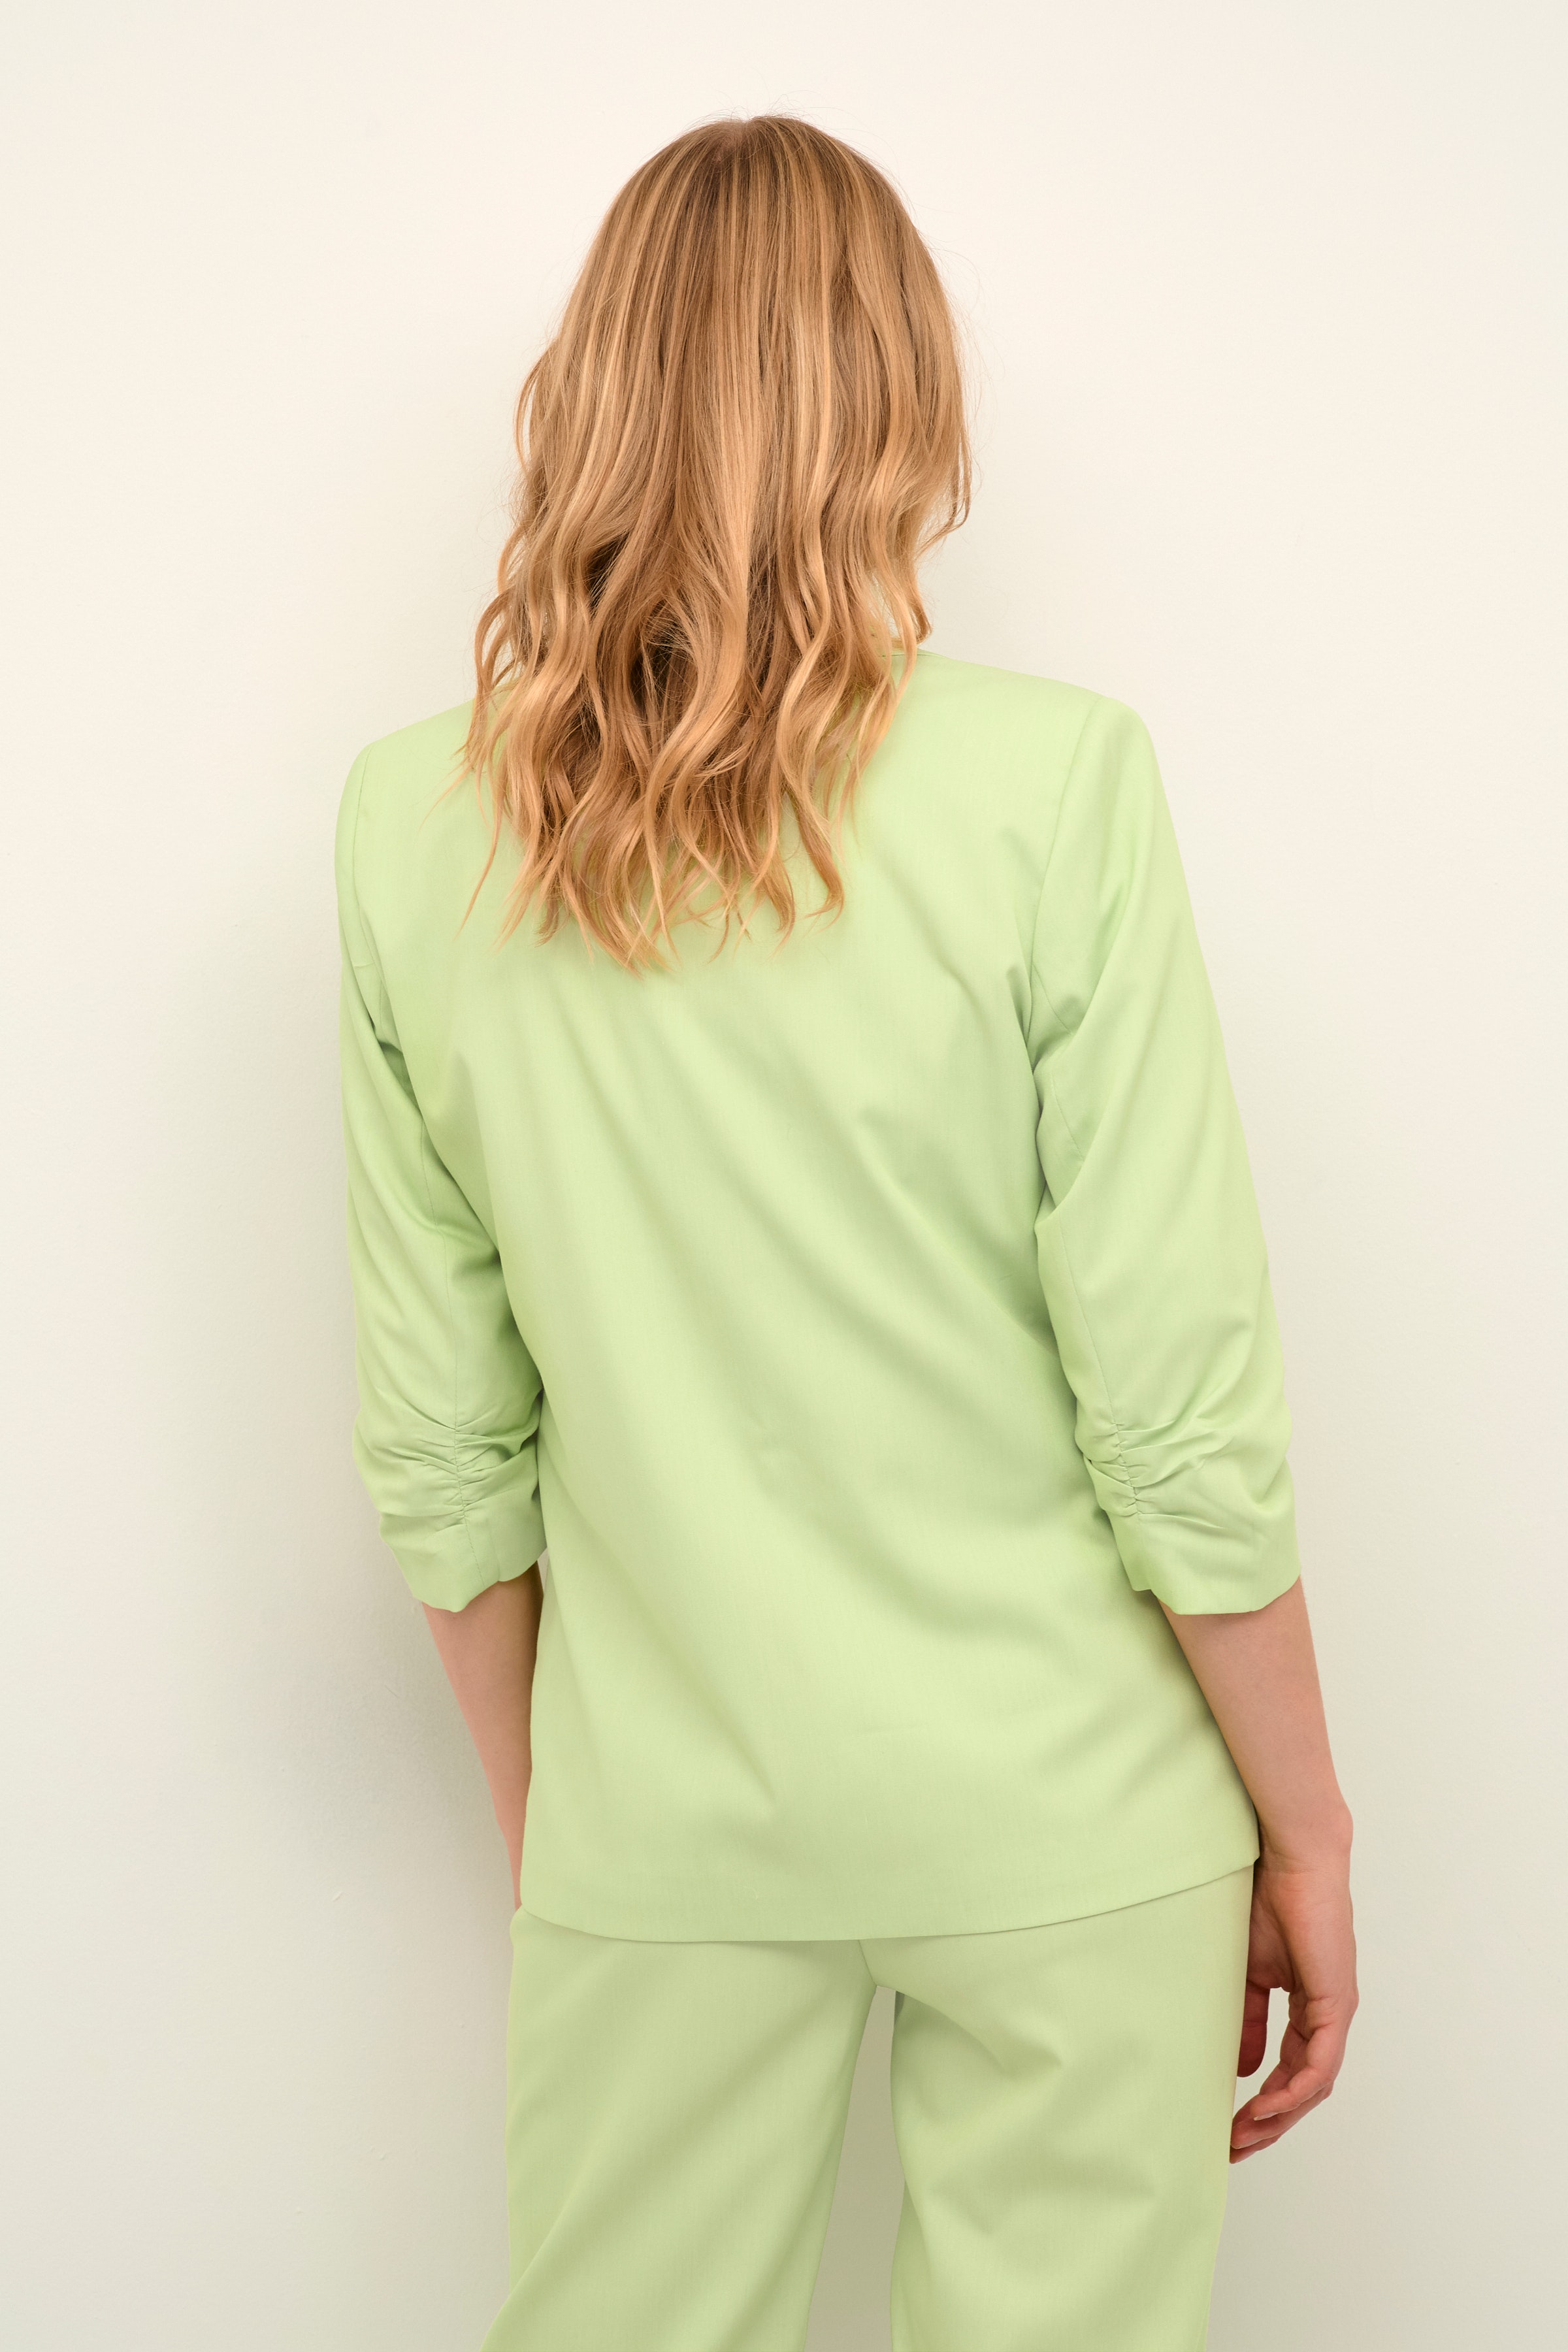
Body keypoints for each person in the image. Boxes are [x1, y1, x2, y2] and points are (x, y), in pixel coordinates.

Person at [335, 113, 1356, 2352]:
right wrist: (1310, 1829)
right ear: (901, 394)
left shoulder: (415, 830)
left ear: (593, 389)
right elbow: (1177, 1400)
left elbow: (445, 1451)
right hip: (1078, 1810)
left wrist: (578, 1835)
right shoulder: (1056, 786)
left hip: (667, 1815)